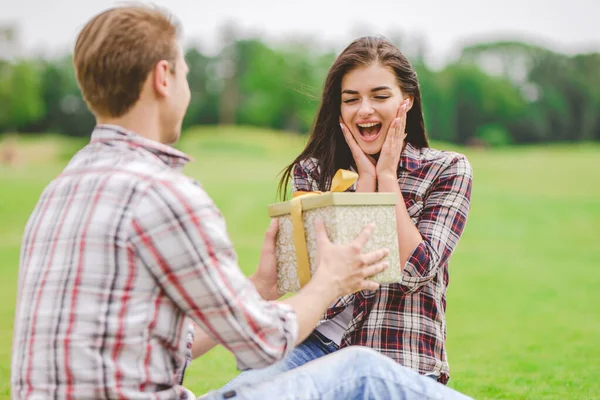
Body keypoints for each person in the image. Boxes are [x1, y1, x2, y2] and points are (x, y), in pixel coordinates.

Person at [10, 5, 472, 400]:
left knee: (328, 372)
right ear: (163, 78)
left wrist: (258, 286)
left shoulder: (59, 189)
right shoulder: (164, 194)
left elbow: (176, 342)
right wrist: (329, 280)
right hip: (311, 344)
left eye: (379, 95)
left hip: (398, 348)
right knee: (358, 369)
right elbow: (260, 340)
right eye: (188, 73)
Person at [227, 36, 473, 388]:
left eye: (380, 96)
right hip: (314, 346)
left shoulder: (447, 170)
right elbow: (311, 276)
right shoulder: (314, 172)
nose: (365, 110)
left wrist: (385, 178)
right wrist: (362, 188)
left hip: (399, 357)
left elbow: (416, 270)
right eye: (351, 99)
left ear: (407, 101)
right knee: (248, 388)